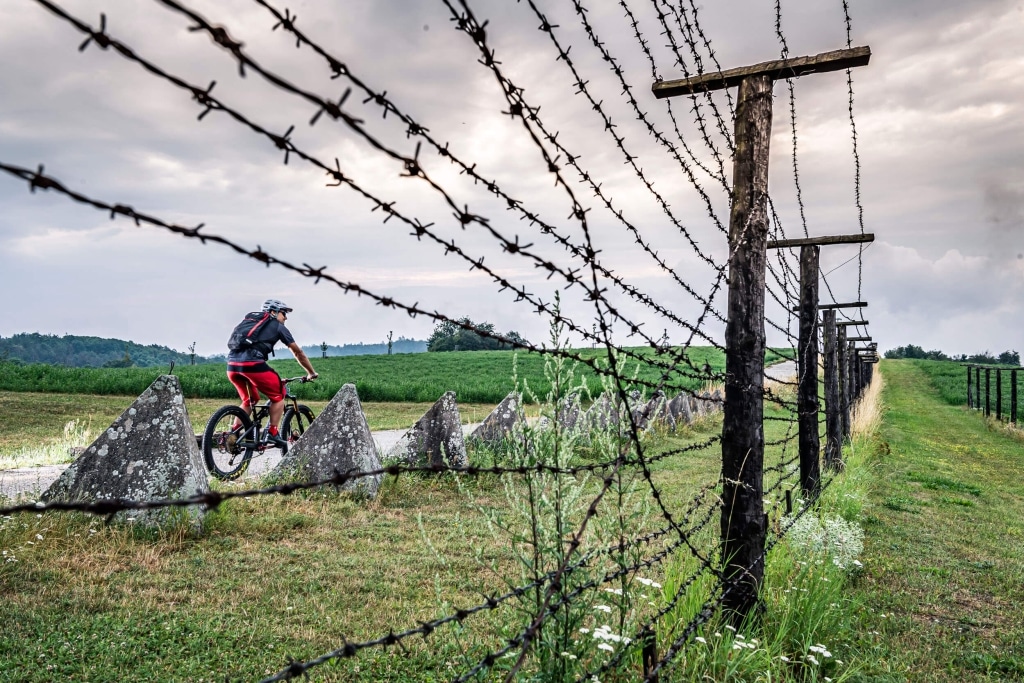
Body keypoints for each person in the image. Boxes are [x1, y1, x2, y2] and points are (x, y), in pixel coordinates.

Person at [226, 298, 318, 448]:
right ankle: (272, 433)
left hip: (232, 366)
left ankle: (234, 433)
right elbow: (298, 352)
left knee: (250, 400)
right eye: (284, 313)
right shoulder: (277, 326)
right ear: (273, 312)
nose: (286, 317)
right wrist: (311, 372)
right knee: (278, 394)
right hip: (253, 366)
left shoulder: (249, 323)